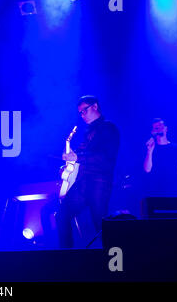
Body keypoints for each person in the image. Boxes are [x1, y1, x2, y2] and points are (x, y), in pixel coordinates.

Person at [56, 95, 120, 248]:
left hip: (99, 184)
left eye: (84, 111)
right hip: (83, 183)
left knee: (101, 225)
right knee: (61, 216)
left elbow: (106, 157)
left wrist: (77, 156)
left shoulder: (108, 128)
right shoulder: (88, 133)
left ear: (95, 106)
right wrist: (69, 162)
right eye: (80, 113)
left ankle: (114, 264)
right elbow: (81, 153)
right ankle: (67, 259)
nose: (82, 115)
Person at [143, 118, 177, 197]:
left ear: (166, 128)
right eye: (156, 128)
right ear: (153, 132)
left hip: (175, 193)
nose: (159, 129)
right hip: (156, 193)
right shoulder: (150, 148)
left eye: (161, 126)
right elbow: (147, 169)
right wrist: (149, 152)